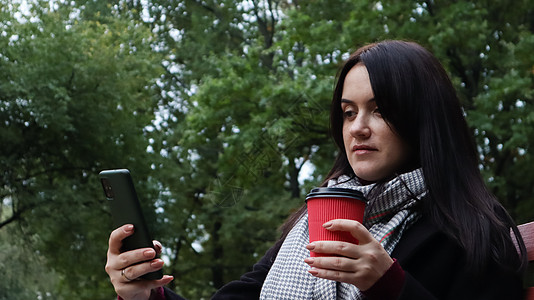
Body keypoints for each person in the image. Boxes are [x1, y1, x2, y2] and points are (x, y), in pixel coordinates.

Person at [105, 40, 527, 300]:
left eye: (379, 110)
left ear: (423, 120)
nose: (358, 128)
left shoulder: (476, 233)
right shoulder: (314, 220)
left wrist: (389, 286)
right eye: (347, 112)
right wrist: (145, 293)